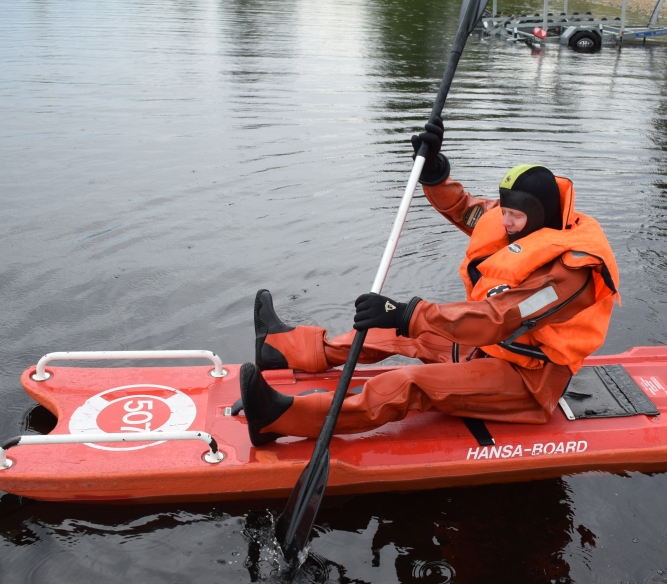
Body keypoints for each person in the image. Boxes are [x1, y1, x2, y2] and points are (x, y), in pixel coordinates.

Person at [235, 119, 619, 446]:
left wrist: (406, 312)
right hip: (491, 351)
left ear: (540, 215)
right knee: (397, 335)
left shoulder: (573, 274)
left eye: (515, 217)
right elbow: (467, 209)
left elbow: (497, 318)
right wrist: (434, 172)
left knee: (407, 383)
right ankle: (282, 350)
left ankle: (280, 418)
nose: (505, 224)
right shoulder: (521, 221)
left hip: (528, 381)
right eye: (506, 213)